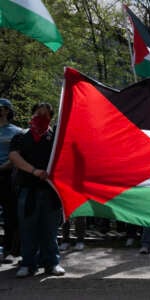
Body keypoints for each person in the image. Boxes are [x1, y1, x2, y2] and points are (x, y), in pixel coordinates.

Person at [9, 102, 65, 278]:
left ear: (51, 118)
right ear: (32, 114)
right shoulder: (21, 136)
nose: (42, 116)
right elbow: (13, 156)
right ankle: (27, 263)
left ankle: (52, 263)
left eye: (46, 114)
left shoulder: (56, 137)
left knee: (50, 230)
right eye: (39, 113)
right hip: (28, 190)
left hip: (52, 191)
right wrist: (34, 171)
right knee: (28, 229)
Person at [0, 98, 23, 261]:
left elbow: (20, 152)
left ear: (7, 110)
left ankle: (9, 249)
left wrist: (7, 165)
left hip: (7, 175)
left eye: (1, 108)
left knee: (10, 213)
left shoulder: (17, 131)